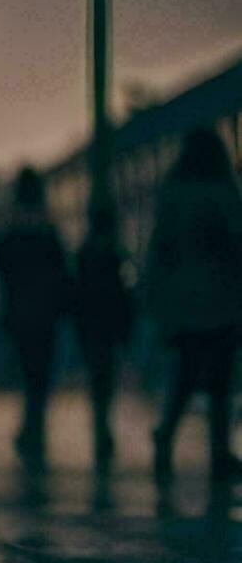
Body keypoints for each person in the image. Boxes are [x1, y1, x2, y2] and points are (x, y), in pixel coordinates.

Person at [146, 127, 242, 484]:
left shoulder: (172, 195)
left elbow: (160, 250)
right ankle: (219, 451)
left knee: (185, 374)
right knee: (220, 378)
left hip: (184, 300)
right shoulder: (224, 193)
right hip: (221, 299)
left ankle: (166, 434)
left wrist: (155, 298)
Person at [0, 167, 71, 466]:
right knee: (41, 372)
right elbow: (62, 271)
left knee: (27, 370)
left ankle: (30, 425)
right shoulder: (47, 227)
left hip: (20, 311)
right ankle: (34, 425)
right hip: (45, 312)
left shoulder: (11, 228)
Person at [73, 205, 134, 473]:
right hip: (106, 327)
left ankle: (102, 428)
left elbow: (77, 294)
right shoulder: (113, 255)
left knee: (99, 377)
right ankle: (103, 429)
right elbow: (123, 294)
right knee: (104, 377)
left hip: (93, 327)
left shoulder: (85, 255)